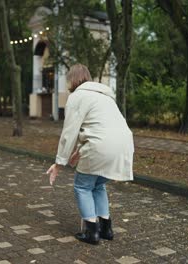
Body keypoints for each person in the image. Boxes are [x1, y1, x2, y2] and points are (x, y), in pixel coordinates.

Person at [46, 64, 134, 245]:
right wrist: (79, 152)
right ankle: (106, 229)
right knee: (98, 185)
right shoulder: (105, 96)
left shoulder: (77, 97)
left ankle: (91, 233)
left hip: (100, 147)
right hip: (123, 145)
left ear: (72, 80)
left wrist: (59, 163)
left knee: (83, 187)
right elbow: (97, 127)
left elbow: (70, 132)